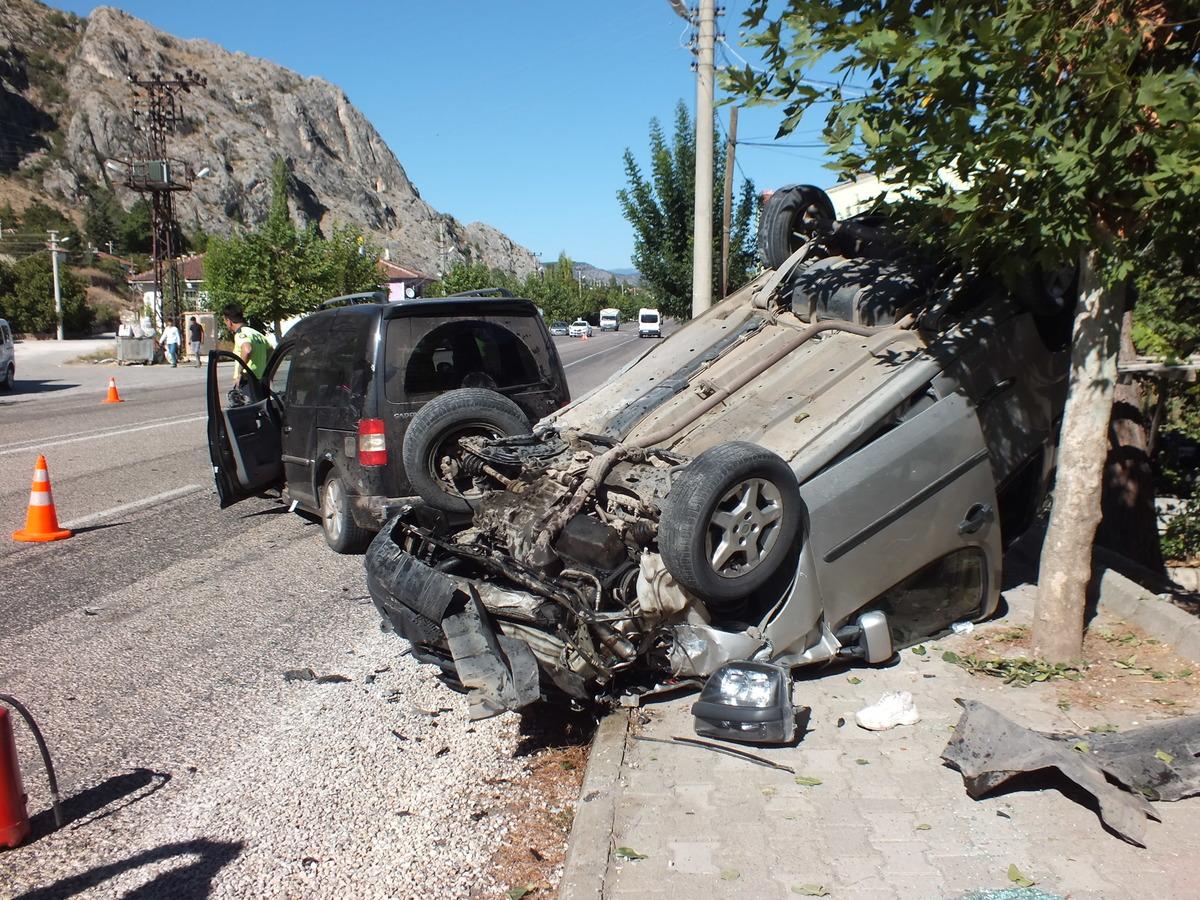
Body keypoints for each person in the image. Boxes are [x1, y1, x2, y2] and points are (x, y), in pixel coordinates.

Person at [221, 304, 270, 386]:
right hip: (261, 380)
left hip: (247, 380)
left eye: (225, 321)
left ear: (229, 321)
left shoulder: (241, 334)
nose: (226, 324)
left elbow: (247, 350)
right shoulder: (257, 334)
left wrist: (240, 372)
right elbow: (271, 350)